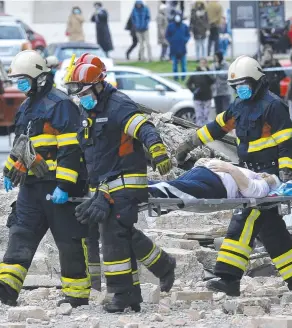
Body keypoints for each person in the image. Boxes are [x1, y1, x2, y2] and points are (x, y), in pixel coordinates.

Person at [175, 55, 292, 296]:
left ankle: (229, 278)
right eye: (237, 87)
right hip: (247, 171)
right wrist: (189, 143)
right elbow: (216, 127)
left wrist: (286, 173)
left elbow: (286, 142)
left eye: (244, 85)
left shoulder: (273, 105)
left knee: (244, 219)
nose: (241, 90)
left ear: (257, 81)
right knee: (272, 231)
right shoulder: (238, 106)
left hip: (267, 175)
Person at [65, 59, 176, 313]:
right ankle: (157, 271)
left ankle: (121, 293)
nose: (81, 98)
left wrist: (157, 150)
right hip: (103, 186)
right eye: (78, 94)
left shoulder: (118, 105)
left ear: (99, 85)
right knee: (121, 232)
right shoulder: (87, 111)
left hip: (126, 182)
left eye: (84, 93)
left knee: (114, 233)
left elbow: (144, 128)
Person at [0, 50, 91, 308]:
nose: (20, 84)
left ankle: (77, 295)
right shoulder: (27, 107)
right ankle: (7, 288)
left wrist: (65, 186)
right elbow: (23, 145)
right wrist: (10, 170)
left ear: (39, 78)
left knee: (69, 241)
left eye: (24, 79)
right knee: (21, 231)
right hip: (33, 186)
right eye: (18, 80)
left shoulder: (61, 105)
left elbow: (71, 149)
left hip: (59, 187)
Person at [149, 159, 280, 201]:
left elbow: (251, 190)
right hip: (203, 172)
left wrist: (230, 168)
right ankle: (137, 187)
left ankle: (140, 188)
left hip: (215, 184)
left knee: (173, 190)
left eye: (268, 176)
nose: (265, 174)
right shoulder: (252, 173)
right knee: (172, 187)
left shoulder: (264, 186)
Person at [186, 58, 214, 126]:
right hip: (197, 98)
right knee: (199, 116)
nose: (203, 64)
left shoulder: (209, 72)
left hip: (207, 97)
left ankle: (206, 130)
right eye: (201, 63)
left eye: (204, 63)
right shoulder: (195, 72)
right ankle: (199, 130)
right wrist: (193, 90)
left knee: (206, 116)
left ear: (206, 64)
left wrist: (206, 72)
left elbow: (213, 81)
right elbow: (188, 83)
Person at [166, 13, 190, 82]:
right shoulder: (170, 26)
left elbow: (188, 35)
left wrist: (185, 40)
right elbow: (167, 35)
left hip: (182, 49)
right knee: (174, 66)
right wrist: (171, 41)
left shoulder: (184, 26)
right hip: (174, 49)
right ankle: (175, 77)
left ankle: (183, 77)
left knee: (183, 66)